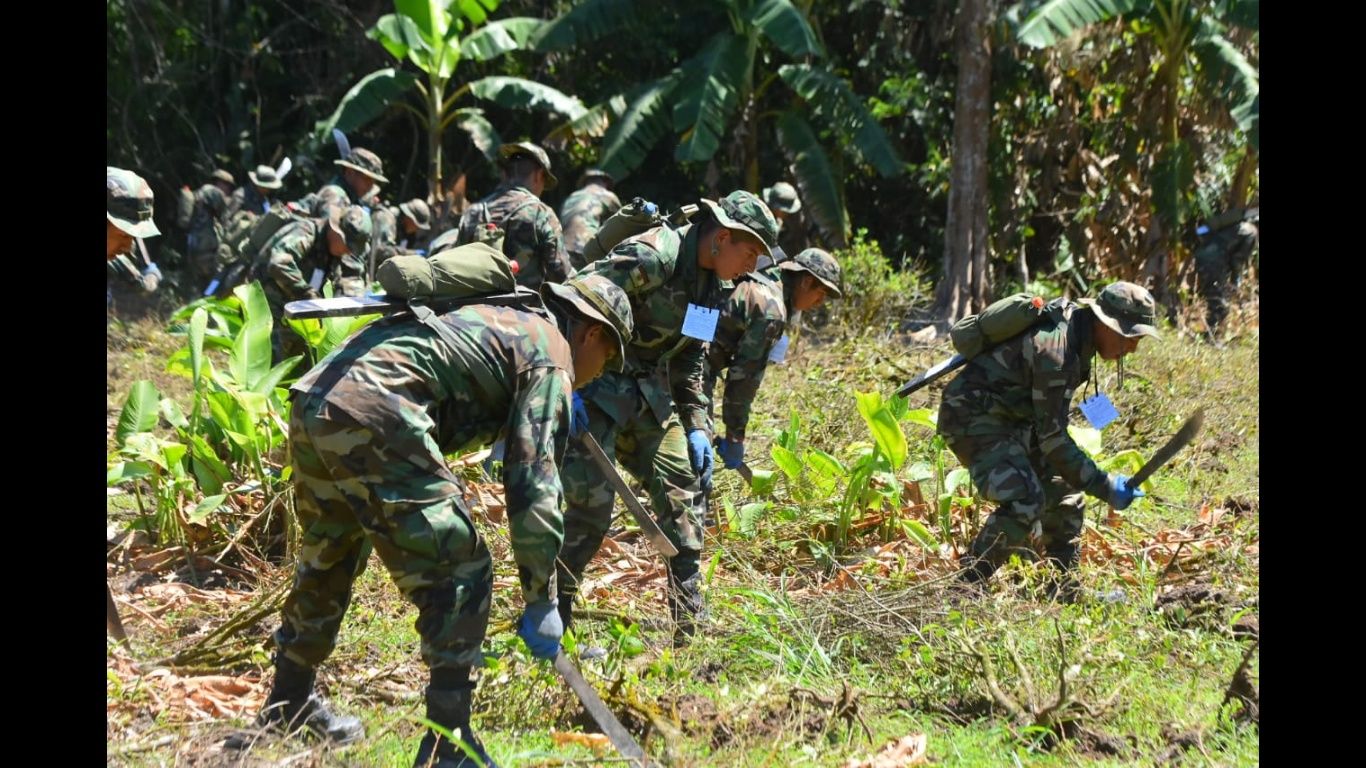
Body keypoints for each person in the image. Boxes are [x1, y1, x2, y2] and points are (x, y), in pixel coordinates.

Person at [248, 272, 633, 768]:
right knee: (461, 570)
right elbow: (534, 485)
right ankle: (448, 746)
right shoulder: (551, 351)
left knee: (331, 553)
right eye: (606, 360)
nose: (599, 373)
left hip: (318, 401)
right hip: (377, 408)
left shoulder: (510, 319)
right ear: (591, 334)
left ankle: (287, 703)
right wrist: (542, 597)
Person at [556, 190, 778, 641]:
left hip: (649, 397)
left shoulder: (715, 287)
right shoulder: (653, 255)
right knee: (590, 507)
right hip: (594, 384)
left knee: (684, 490)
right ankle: (551, 611)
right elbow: (571, 305)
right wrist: (565, 382)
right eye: (749, 251)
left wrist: (698, 426)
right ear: (720, 239)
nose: (752, 267)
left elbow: (690, 358)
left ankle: (689, 624)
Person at [939, 281, 1159, 600]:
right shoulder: (1057, 353)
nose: (1134, 347)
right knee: (1024, 500)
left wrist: (1087, 480)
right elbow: (1053, 440)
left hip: (1013, 419)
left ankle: (1064, 590)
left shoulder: (1077, 333)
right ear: (1106, 324)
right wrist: (1104, 484)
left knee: (1066, 494)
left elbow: (1051, 428)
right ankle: (965, 588)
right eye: (1131, 336)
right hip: (973, 418)